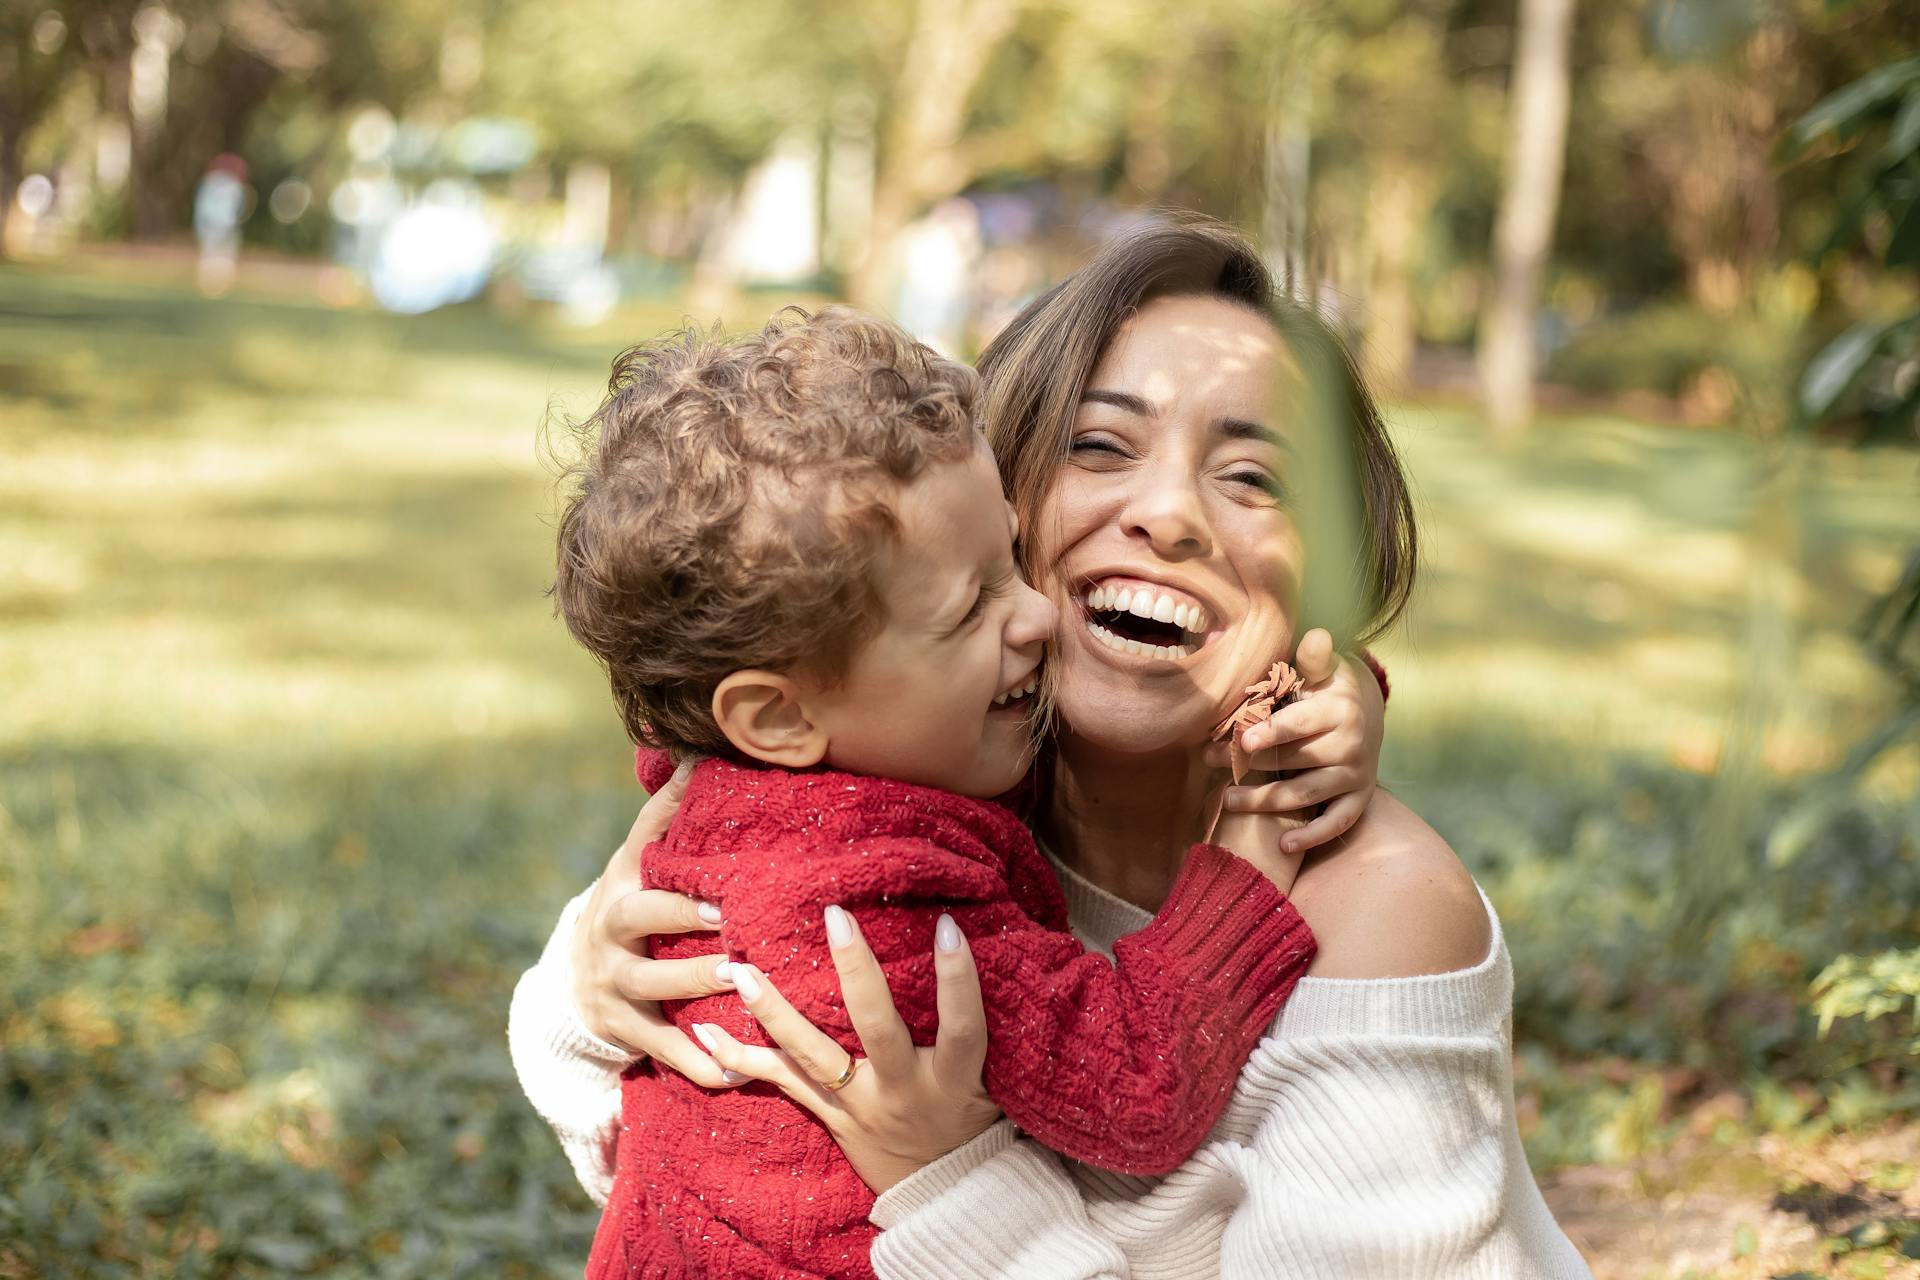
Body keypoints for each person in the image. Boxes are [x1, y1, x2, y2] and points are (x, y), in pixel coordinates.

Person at [512, 216, 1593, 1277]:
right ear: (1007, 487)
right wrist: (588, 985)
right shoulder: (895, 806)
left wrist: (942, 1179)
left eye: (1255, 476)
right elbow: (635, 1120)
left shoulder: (1384, 910)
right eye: (1100, 445)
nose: (1168, 513)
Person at [549, 307, 1351, 1278]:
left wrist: (1314, 699)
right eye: (971, 605)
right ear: (776, 716)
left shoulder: (741, 781)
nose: (1034, 611)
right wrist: (1252, 843)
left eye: (1009, 560)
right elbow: (1140, 1080)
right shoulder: (878, 904)